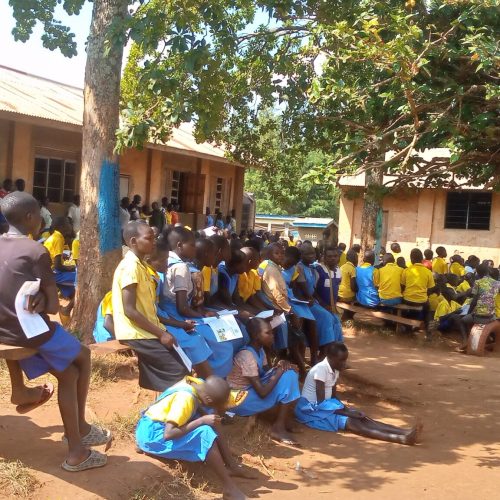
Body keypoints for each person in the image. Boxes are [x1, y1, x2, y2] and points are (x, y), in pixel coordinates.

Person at [0, 192, 110, 470]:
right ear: (29, 218)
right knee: (83, 356)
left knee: (69, 372)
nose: (41, 219)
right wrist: (41, 297)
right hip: (26, 330)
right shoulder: (36, 251)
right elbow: (50, 307)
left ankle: (76, 440)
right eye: (39, 214)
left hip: (3, 328)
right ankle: (78, 441)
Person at [136, 375, 255, 500]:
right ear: (208, 399)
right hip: (152, 435)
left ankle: (232, 466)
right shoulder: (185, 399)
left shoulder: (199, 384)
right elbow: (168, 434)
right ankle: (229, 488)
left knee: (213, 419)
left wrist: (208, 417)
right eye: (217, 405)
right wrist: (202, 420)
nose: (220, 409)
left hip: (157, 425)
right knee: (205, 432)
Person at [112, 221, 188, 391]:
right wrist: (161, 334)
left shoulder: (143, 267)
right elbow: (129, 310)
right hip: (135, 333)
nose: (154, 242)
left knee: (182, 363)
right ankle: (165, 413)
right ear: (133, 242)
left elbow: (149, 308)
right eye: (149, 238)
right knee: (177, 372)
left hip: (148, 330)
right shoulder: (130, 268)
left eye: (154, 238)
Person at [295, 342, 421, 445]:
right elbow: (321, 403)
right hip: (311, 409)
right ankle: (401, 439)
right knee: (353, 422)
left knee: (363, 419)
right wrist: (347, 412)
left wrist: (346, 408)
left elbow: (333, 396)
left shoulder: (334, 369)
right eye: (341, 360)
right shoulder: (320, 370)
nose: (344, 364)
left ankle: (404, 431)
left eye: (345, 360)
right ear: (331, 358)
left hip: (327, 406)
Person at [159, 227, 235, 378]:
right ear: (180, 245)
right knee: (223, 345)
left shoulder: (167, 261)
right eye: (192, 245)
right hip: (176, 314)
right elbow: (182, 308)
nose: (195, 250)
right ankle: (215, 380)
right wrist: (205, 317)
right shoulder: (181, 267)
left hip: (167, 311)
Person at [227, 318, 301, 446]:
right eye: (268, 333)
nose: (273, 336)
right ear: (256, 336)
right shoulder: (247, 356)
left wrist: (280, 365)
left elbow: (266, 373)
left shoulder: (259, 350)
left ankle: (282, 421)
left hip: (250, 391)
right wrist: (279, 372)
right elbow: (262, 392)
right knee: (287, 376)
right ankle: (278, 426)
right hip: (239, 399)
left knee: (289, 373)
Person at [401, 248, 436, 336]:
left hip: (407, 299)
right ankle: (429, 332)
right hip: (421, 300)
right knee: (428, 309)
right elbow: (431, 288)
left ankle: (407, 327)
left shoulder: (406, 271)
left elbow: (402, 286)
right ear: (422, 259)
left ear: (411, 259)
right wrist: (424, 295)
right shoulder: (428, 272)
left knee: (403, 309)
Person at [43, 217, 77, 305]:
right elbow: (58, 266)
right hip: (53, 273)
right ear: (62, 227)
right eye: (68, 224)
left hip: (50, 271)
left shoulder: (55, 236)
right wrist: (72, 268)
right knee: (80, 278)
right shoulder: (58, 238)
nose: (70, 225)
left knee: (72, 294)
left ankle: (66, 312)